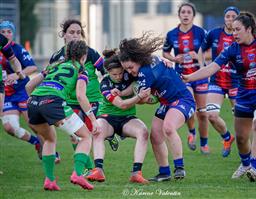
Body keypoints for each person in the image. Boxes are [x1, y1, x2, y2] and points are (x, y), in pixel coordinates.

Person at [183, 12, 256, 182]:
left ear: (249, 29)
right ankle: (245, 164)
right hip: (244, 95)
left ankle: (255, 167)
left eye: (238, 30)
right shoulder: (232, 49)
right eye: (233, 30)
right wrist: (189, 77)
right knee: (242, 139)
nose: (234, 33)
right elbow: (212, 67)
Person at [119, 32, 195, 181]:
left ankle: (179, 167)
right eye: (126, 69)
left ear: (137, 60)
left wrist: (141, 98)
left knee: (168, 127)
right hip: (166, 103)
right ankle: (164, 172)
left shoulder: (144, 73)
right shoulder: (150, 60)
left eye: (130, 67)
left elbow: (142, 100)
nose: (129, 72)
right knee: (155, 136)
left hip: (183, 99)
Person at [26, 40, 99, 190]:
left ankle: (50, 180)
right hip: (53, 102)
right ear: (84, 56)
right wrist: (93, 119)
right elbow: (80, 96)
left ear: (67, 53)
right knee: (86, 136)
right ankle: (78, 174)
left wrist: (32, 100)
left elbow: (29, 85)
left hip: (33, 102)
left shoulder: (53, 66)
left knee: (50, 139)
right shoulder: (81, 69)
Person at [49, 19, 118, 167]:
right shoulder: (57, 56)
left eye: (78, 33)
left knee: (95, 132)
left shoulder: (90, 52)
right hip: (70, 102)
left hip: (91, 99)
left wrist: (111, 86)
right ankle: (88, 167)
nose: (75, 35)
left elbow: (105, 71)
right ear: (64, 35)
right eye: (71, 32)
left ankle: (110, 134)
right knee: (75, 136)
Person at [86, 49, 150, 184]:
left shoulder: (130, 76)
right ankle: (98, 170)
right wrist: (138, 96)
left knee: (143, 132)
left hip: (127, 118)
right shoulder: (104, 83)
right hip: (107, 117)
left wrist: (166, 61)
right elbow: (121, 105)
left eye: (120, 73)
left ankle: (136, 173)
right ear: (108, 72)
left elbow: (146, 66)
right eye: (114, 74)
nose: (118, 76)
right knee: (97, 131)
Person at [162, 2, 209, 153]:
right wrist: (174, 59)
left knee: (202, 112)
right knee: (189, 104)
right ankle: (192, 132)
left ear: (193, 16)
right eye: (183, 12)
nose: (186, 15)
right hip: (182, 76)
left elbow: (212, 53)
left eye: (189, 12)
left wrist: (199, 55)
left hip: (200, 76)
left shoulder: (201, 32)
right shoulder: (171, 34)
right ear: (179, 15)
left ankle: (204, 143)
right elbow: (165, 53)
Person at [198, 6, 240, 157]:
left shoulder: (242, 35)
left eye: (233, 16)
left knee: (241, 120)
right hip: (217, 82)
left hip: (237, 82)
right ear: (224, 18)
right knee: (212, 116)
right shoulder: (214, 33)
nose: (230, 19)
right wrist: (203, 67)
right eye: (227, 16)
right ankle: (227, 138)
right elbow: (201, 50)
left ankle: (246, 155)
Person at [0, 21, 42, 159]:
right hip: (7, 94)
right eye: (3, 31)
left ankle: (51, 153)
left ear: (13, 33)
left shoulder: (17, 49)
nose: (6, 34)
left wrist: (17, 74)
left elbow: (32, 67)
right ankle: (36, 142)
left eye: (9, 31)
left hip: (22, 91)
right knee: (9, 128)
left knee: (35, 125)